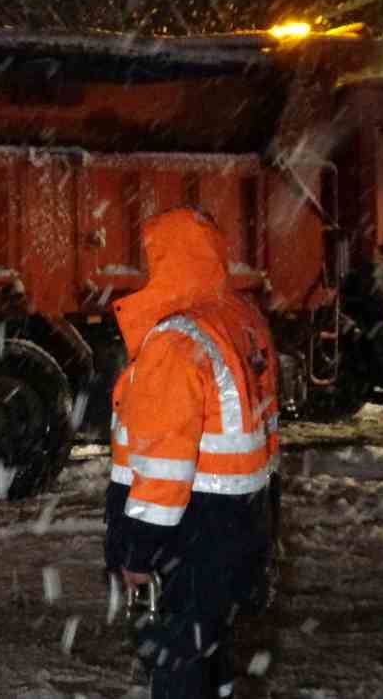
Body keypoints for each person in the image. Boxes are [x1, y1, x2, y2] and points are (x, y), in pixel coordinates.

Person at [106, 208, 277, 699]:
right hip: (235, 521)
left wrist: (138, 550)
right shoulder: (240, 319)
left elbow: (164, 463)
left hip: (186, 532)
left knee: (175, 657)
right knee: (210, 647)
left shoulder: (175, 339)